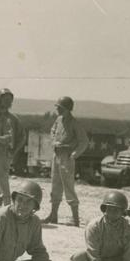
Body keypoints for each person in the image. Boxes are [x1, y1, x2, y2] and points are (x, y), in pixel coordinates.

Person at [45, 96, 89, 227]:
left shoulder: (74, 123)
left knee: (68, 187)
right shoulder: (58, 120)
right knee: (55, 186)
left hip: (67, 157)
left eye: (60, 107)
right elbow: (52, 131)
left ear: (67, 108)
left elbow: (84, 141)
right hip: (57, 155)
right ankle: (53, 216)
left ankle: (75, 219)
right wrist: (54, 141)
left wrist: (75, 154)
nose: (57, 109)